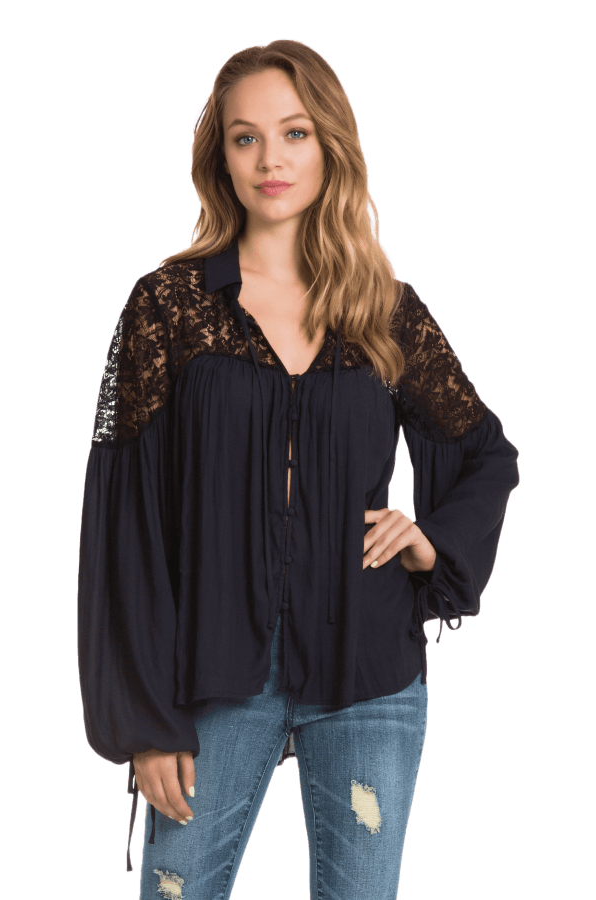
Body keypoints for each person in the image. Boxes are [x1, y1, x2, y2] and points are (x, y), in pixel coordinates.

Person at [77, 40, 520, 897]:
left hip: (369, 671)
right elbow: (121, 519)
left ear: (330, 146)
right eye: (245, 138)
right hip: (206, 677)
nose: (270, 159)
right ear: (220, 158)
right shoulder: (168, 306)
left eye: (294, 132)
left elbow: (486, 451)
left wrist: (429, 539)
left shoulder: (383, 309)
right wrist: (144, 720)